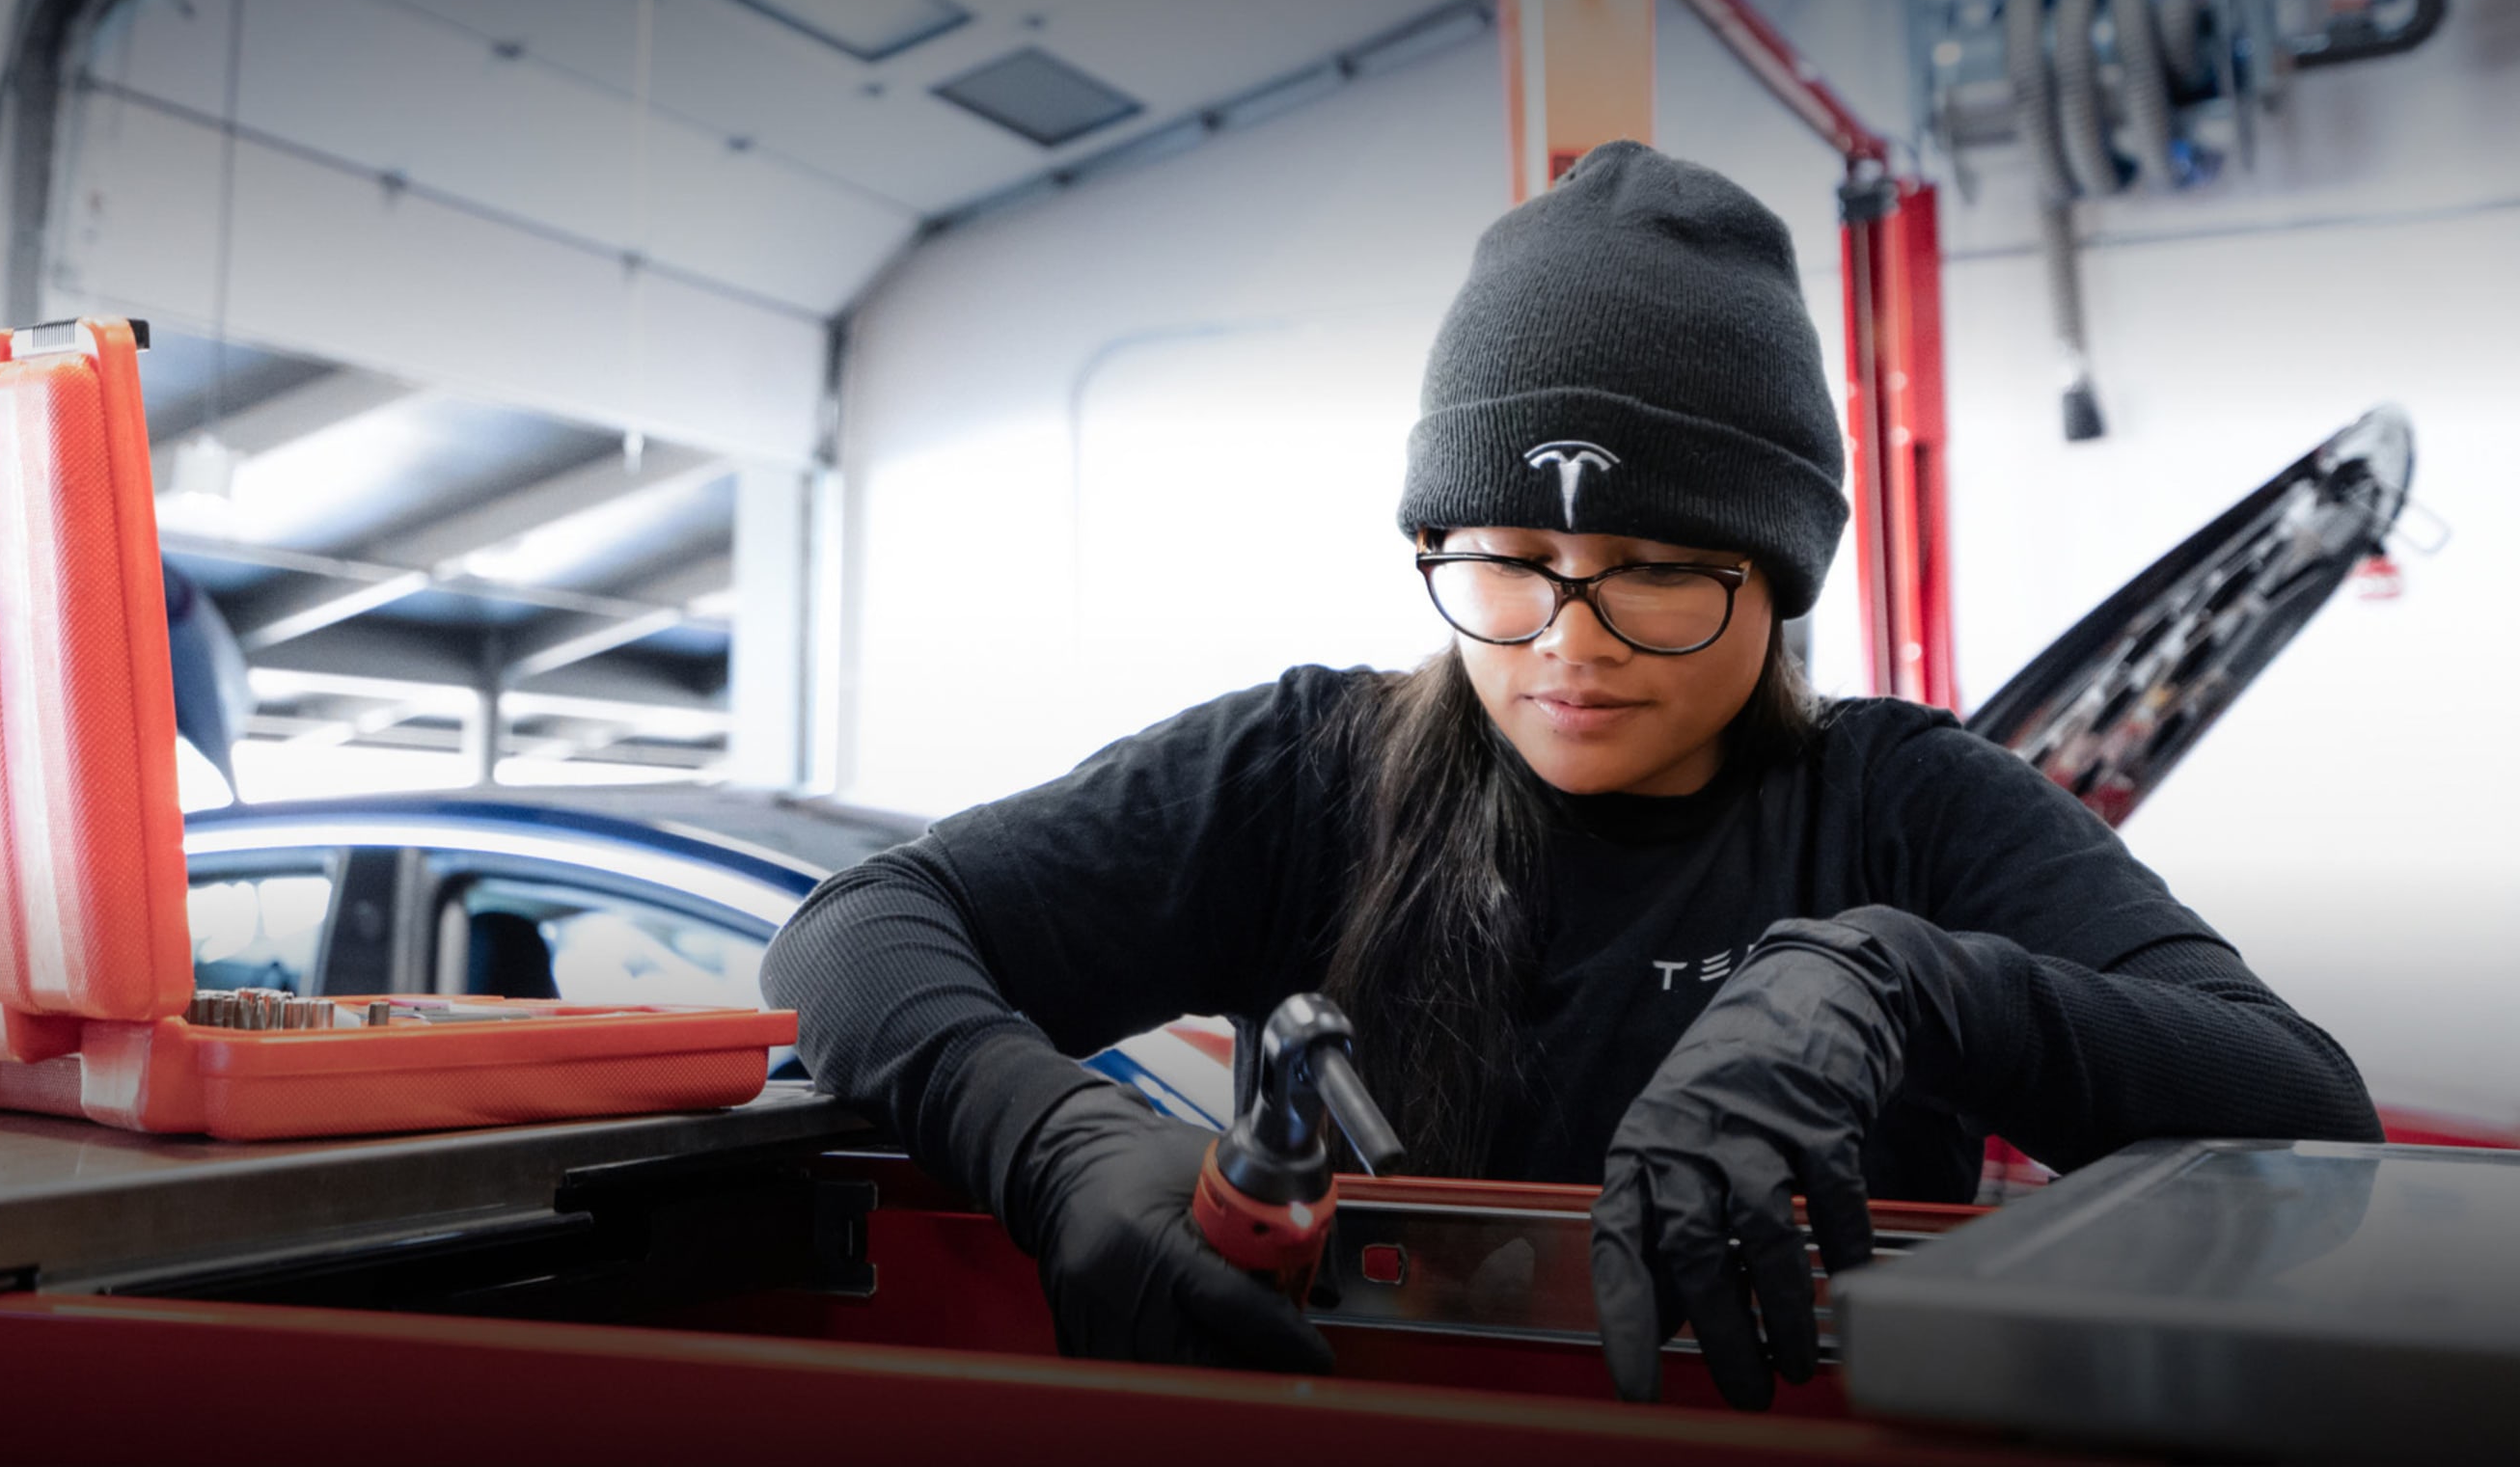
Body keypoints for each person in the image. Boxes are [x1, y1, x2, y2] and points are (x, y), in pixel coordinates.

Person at [760, 142, 2381, 1411]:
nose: (1566, 641)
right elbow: (858, 927)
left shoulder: (1904, 808)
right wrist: (1043, 1143)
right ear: (1433, 543)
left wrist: (1905, 983)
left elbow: (2307, 1118)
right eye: (1511, 559)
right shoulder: (1305, 776)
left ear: (1779, 578)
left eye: (1660, 567)